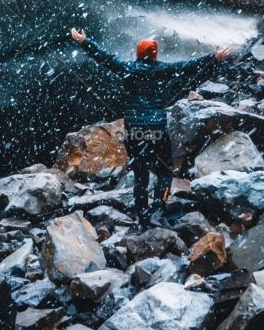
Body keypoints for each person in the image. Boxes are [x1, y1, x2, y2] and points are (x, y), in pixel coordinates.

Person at [70, 26, 231, 224]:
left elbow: (105, 58)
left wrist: (84, 42)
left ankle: (143, 215)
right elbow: (188, 65)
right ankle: (159, 207)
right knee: (165, 172)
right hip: (157, 129)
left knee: (140, 173)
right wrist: (213, 58)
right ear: (155, 55)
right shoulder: (163, 69)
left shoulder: (127, 68)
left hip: (135, 130)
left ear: (138, 54)